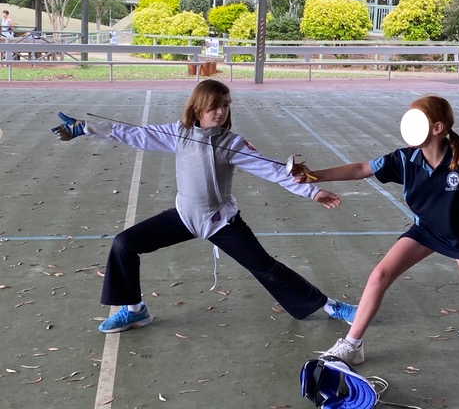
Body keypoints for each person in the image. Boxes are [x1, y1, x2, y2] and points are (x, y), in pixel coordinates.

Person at [292, 95, 459, 386]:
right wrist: (314, 176)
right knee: (379, 276)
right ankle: (353, 344)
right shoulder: (405, 159)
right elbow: (362, 169)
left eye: (416, 119)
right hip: (425, 231)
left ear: (436, 128)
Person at [51, 79, 357, 333]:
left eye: (226, 105)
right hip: (184, 216)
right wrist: (85, 128)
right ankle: (135, 310)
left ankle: (331, 306)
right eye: (215, 105)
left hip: (220, 222)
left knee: (266, 268)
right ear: (198, 107)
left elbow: (275, 171)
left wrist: (314, 193)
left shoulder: (233, 143)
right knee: (123, 244)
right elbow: (134, 134)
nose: (221, 112)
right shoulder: (178, 134)